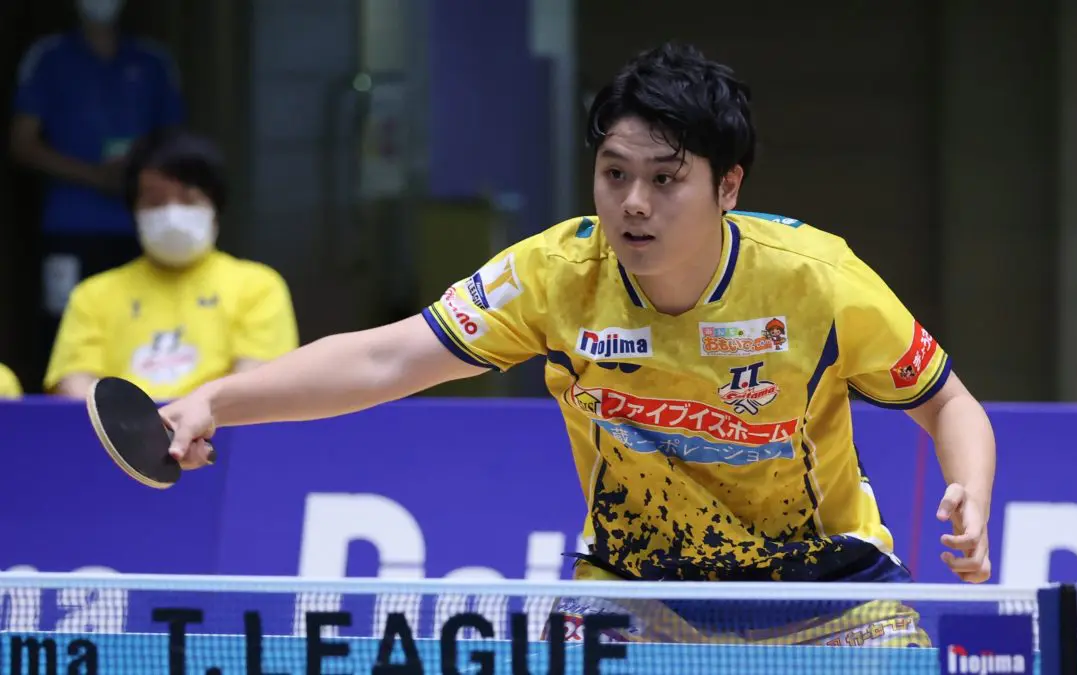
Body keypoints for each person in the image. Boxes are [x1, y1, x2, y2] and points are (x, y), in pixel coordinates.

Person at [159, 43, 995, 647]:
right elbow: (388, 358)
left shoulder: (817, 281)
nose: (633, 203)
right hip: (635, 601)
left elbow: (947, 401)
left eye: (665, 179)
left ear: (728, 186)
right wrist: (216, 401)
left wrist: (971, 491)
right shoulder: (555, 275)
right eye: (614, 173)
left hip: (827, 596)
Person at [43, 129, 299, 401]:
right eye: (155, 201)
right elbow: (72, 384)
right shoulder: (92, 294)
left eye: (188, 199)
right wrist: (127, 422)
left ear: (215, 207)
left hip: (221, 427)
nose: (172, 214)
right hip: (120, 428)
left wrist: (194, 416)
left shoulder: (259, 286)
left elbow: (258, 382)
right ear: (134, 210)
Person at [10, 0, 185, 369]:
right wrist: (94, 176)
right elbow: (22, 143)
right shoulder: (48, 56)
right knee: (61, 326)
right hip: (69, 225)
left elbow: (175, 142)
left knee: (144, 326)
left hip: (141, 224)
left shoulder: (153, 60)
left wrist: (136, 172)